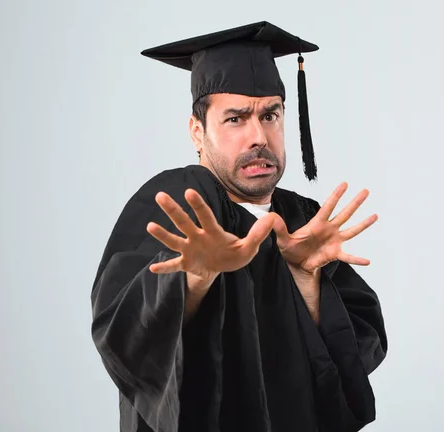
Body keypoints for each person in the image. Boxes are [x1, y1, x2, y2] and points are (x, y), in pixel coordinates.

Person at [90, 21, 388, 432]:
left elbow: (357, 357)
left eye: (270, 114)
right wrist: (195, 277)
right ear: (198, 132)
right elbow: (122, 335)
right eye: (235, 119)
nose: (258, 137)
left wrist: (306, 280)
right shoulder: (177, 201)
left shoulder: (302, 217)